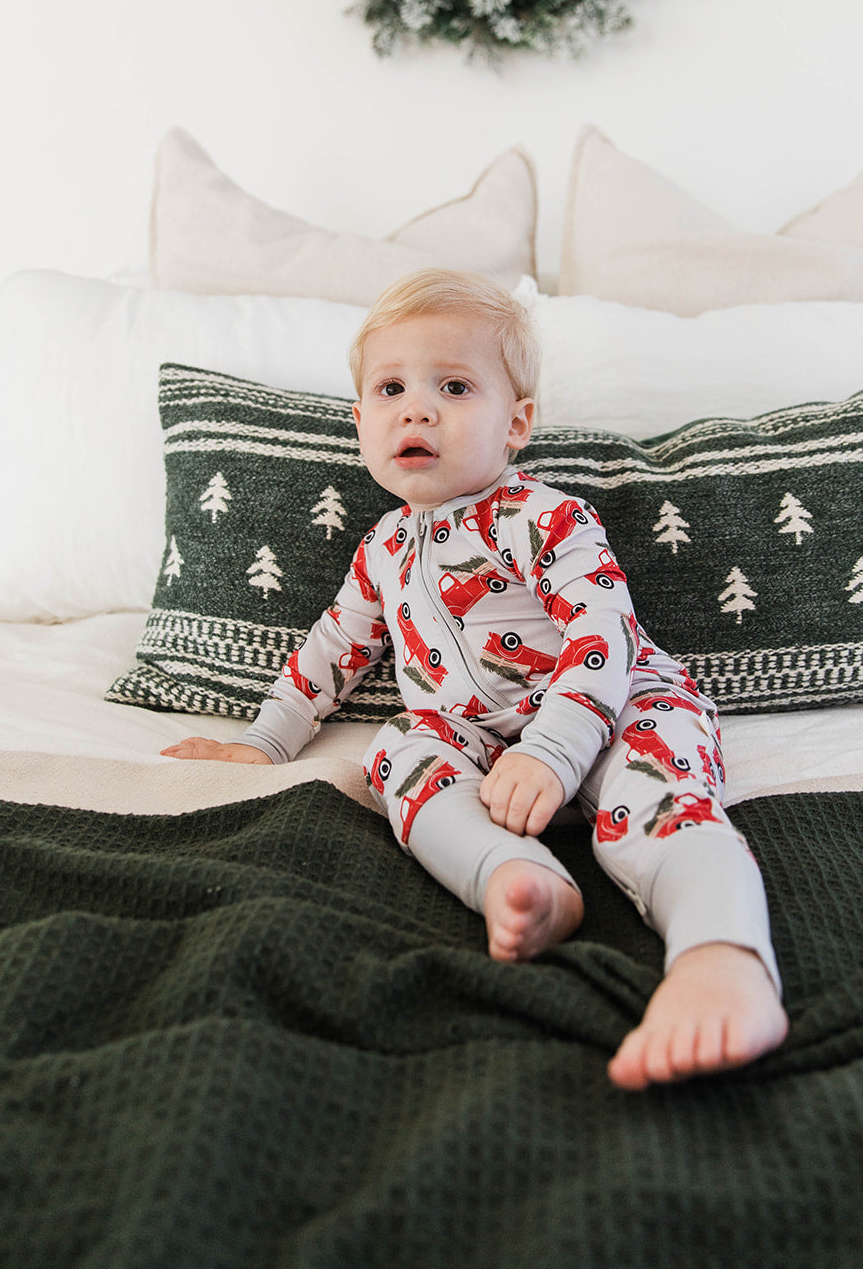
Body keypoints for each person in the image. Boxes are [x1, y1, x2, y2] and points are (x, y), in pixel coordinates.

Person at [162, 269, 788, 1088]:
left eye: (453, 386)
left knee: (662, 803)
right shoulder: (383, 547)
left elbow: (603, 636)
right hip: (475, 734)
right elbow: (333, 651)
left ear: (515, 423)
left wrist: (556, 751)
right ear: (360, 424)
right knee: (398, 751)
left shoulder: (547, 517)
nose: (416, 409)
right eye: (390, 389)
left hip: (611, 705)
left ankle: (723, 958)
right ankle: (511, 875)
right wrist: (264, 743)